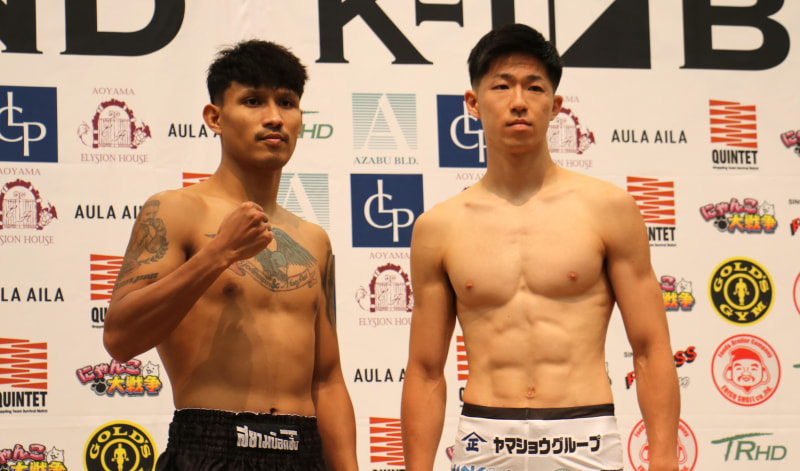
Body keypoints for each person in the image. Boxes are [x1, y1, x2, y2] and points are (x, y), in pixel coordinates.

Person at [401, 24, 680, 471]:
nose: (519, 101)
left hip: (585, 437)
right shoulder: (439, 227)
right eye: (502, 86)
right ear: (473, 103)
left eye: (534, 87)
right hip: (485, 440)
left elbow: (650, 349)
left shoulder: (608, 208)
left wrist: (664, 462)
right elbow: (425, 370)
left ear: (556, 106)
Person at [103, 39, 358, 471]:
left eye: (287, 102)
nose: (274, 117)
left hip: (303, 452)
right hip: (211, 446)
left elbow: (328, 380)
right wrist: (217, 254)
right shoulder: (176, 211)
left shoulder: (314, 240)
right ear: (215, 118)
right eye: (253, 101)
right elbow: (120, 340)